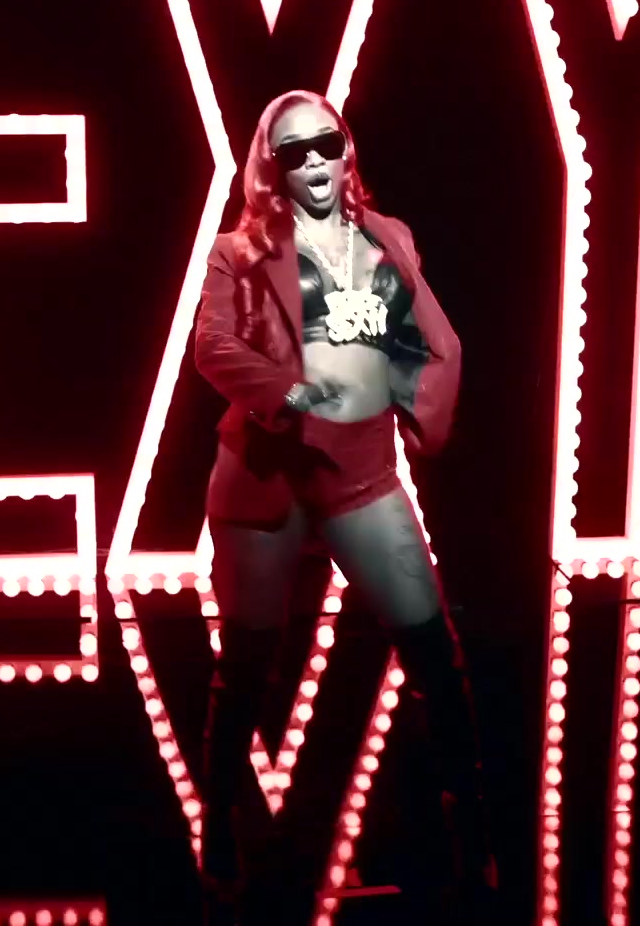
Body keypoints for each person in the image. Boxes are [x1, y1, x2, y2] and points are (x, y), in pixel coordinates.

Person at [191, 90, 496, 921]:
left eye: (326, 143)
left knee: (433, 649)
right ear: (272, 167)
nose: (315, 161)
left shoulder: (386, 236)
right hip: (268, 482)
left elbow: (418, 338)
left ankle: (472, 822)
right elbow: (212, 344)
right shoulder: (239, 253)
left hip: (362, 476)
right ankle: (218, 823)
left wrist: (412, 389)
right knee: (247, 663)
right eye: (294, 151)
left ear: (346, 147)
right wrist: (287, 390)